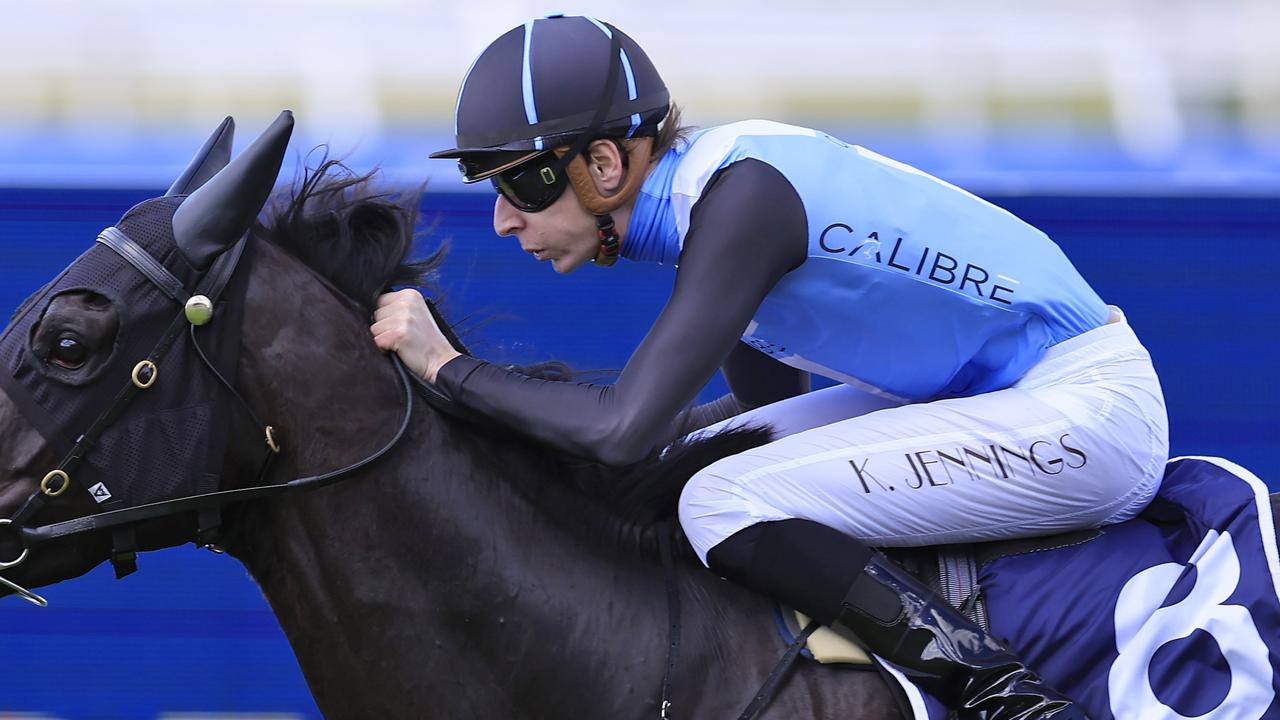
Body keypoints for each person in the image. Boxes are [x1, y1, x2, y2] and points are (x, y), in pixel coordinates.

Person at [371, 14, 1168, 719]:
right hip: (1017, 396)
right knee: (707, 465)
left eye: (521, 182)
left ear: (606, 164)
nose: (505, 220)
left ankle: (1010, 703)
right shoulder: (713, 193)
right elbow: (745, 420)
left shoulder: (740, 200)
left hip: (1088, 413)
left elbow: (619, 430)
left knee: (720, 497)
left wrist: (446, 368)